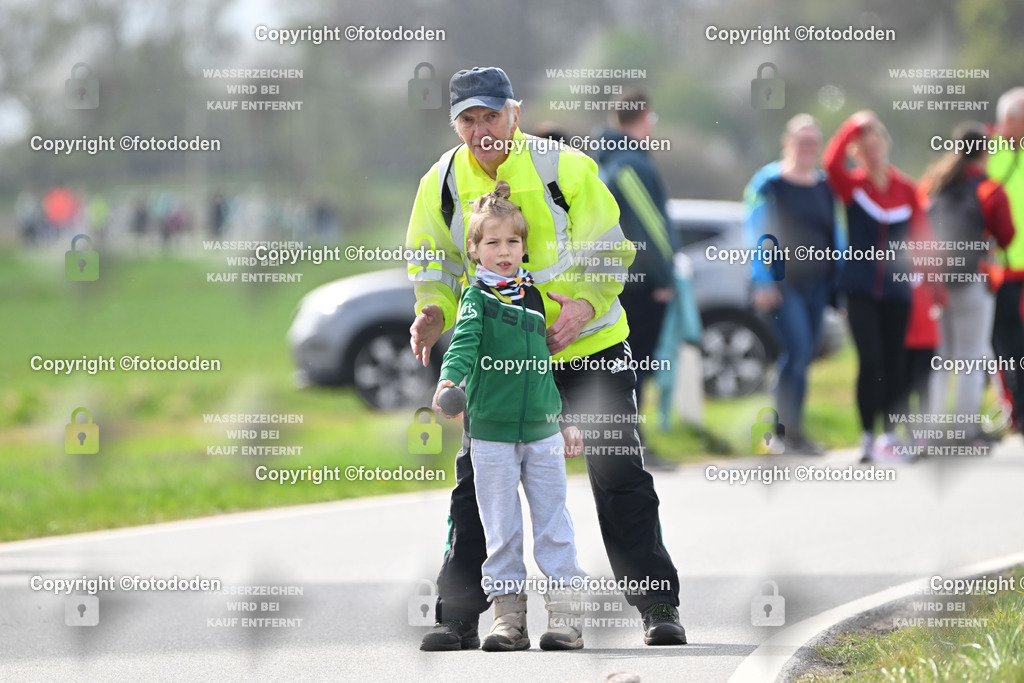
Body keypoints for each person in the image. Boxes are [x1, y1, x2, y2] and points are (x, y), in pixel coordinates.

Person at [406, 66, 685, 650]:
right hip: (506, 361)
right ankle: (458, 617)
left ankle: (658, 605)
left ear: (514, 112)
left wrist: (582, 306)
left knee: (618, 473)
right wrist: (433, 309)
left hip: (589, 347)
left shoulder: (564, 167)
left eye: (491, 115)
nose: (482, 130)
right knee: (478, 484)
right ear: (455, 125)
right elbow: (435, 264)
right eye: (468, 120)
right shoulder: (442, 182)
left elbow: (611, 250)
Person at [431, 180, 587, 651]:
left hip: (542, 431)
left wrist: (564, 419)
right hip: (492, 434)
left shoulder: (536, 298)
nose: (504, 251)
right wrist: (448, 381)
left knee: (553, 525)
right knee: (501, 529)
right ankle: (509, 620)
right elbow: (463, 345)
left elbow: (544, 367)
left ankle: (566, 617)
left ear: (524, 246)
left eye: (513, 242)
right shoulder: (477, 299)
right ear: (474, 250)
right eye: (493, 243)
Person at [823, 111, 932, 462]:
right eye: (864, 148)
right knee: (870, 361)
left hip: (898, 290)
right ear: (857, 153)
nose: (872, 153)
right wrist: (854, 125)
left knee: (895, 362)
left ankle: (890, 433)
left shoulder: (906, 189)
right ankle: (868, 436)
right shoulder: (852, 187)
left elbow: (922, 236)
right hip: (860, 287)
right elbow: (830, 163)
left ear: (886, 145)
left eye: (876, 145)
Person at [744, 114, 847, 455]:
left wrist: (841, 279)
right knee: (798, 350)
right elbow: (756, 232)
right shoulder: (768, 183)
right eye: (801, 141)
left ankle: (795, 434)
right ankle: (781, 434)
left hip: (818, 284)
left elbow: (835, 233)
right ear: (787, 143)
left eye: (813, 143)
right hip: (783, 284)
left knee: (804, 356)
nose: (807, 148)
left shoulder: (824, 185)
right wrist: (762, 279)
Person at [595, 89, 677, 469]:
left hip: (619, 281)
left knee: (623, 367)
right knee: (635, 366)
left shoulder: (609, 157)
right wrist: (664, 276)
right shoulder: (631, 163)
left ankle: (624, 443)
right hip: (640, 285)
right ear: (644, 118)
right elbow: (651, 228)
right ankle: (631, 445)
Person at [921, 122, 1015, 443]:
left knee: (940, 359)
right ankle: (964, 429)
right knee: (971, 357)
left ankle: (931, 430)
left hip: (936, 283)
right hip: (973, 280)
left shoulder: (935, 184)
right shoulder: (988, 189)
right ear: (984, 152)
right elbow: (1006, 234)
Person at [987, 88, 1024, 428]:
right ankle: (1014, 408)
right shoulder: (986, 150)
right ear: (1011, 120)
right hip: (1000, 269)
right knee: (1006, 345)